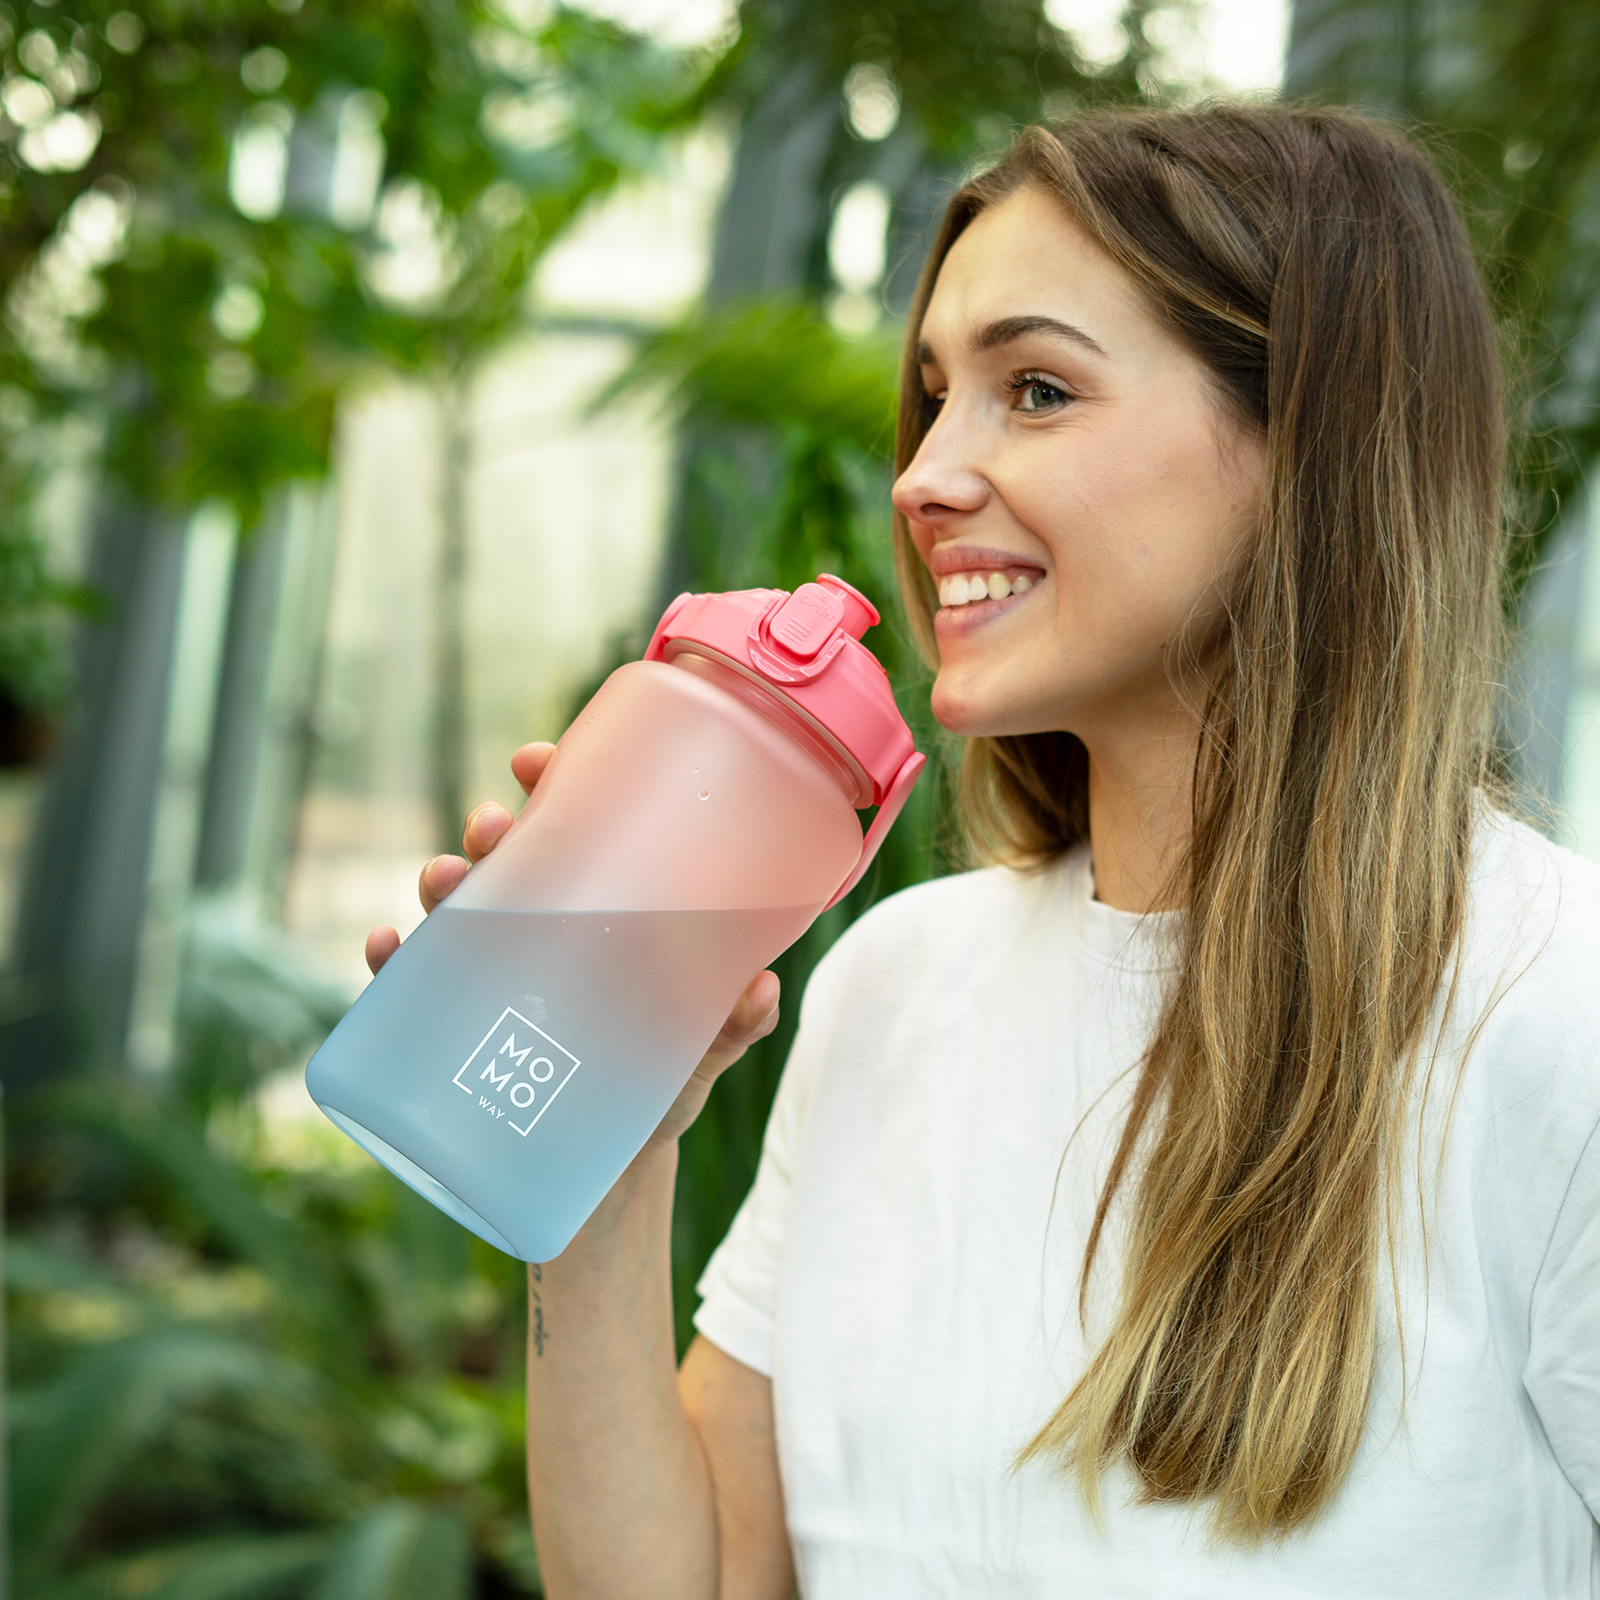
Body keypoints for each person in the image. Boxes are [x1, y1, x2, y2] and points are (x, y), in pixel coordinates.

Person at [367, 104, 1600, 1598]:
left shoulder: (1554, 1015)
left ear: (1313, 445)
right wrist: (598, 1189)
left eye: (1034, 388)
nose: (924, 474)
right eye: (936, 394)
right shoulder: (898, 981)